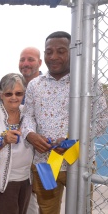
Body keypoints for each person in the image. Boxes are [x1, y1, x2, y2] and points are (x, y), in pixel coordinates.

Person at [21, 31, 108, 214]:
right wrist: (30, 134)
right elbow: (28, 116)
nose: (53, 57)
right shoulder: (35, 85)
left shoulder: (88, 82)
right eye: (48, 51)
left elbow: (101, 120)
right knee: (46, 211)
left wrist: (71, 139)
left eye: (61, 51)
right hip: (44, 163)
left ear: (72, 52)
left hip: (78, 161)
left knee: (82, 210)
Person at [0, 73, 33, 214]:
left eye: (19, 93)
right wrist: (3, 140)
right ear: (1, 94)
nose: (14, 98)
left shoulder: (28, 112)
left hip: (26, 179)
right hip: (3, 181)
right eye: (9, 94)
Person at [19, 47, 42, 214]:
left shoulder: (50, 85)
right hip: (23, 158)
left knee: (46, 204)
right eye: (22, 59)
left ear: (40, 63)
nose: (25, 63)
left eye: (31, 59)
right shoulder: (16, 86)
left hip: (45, 156)